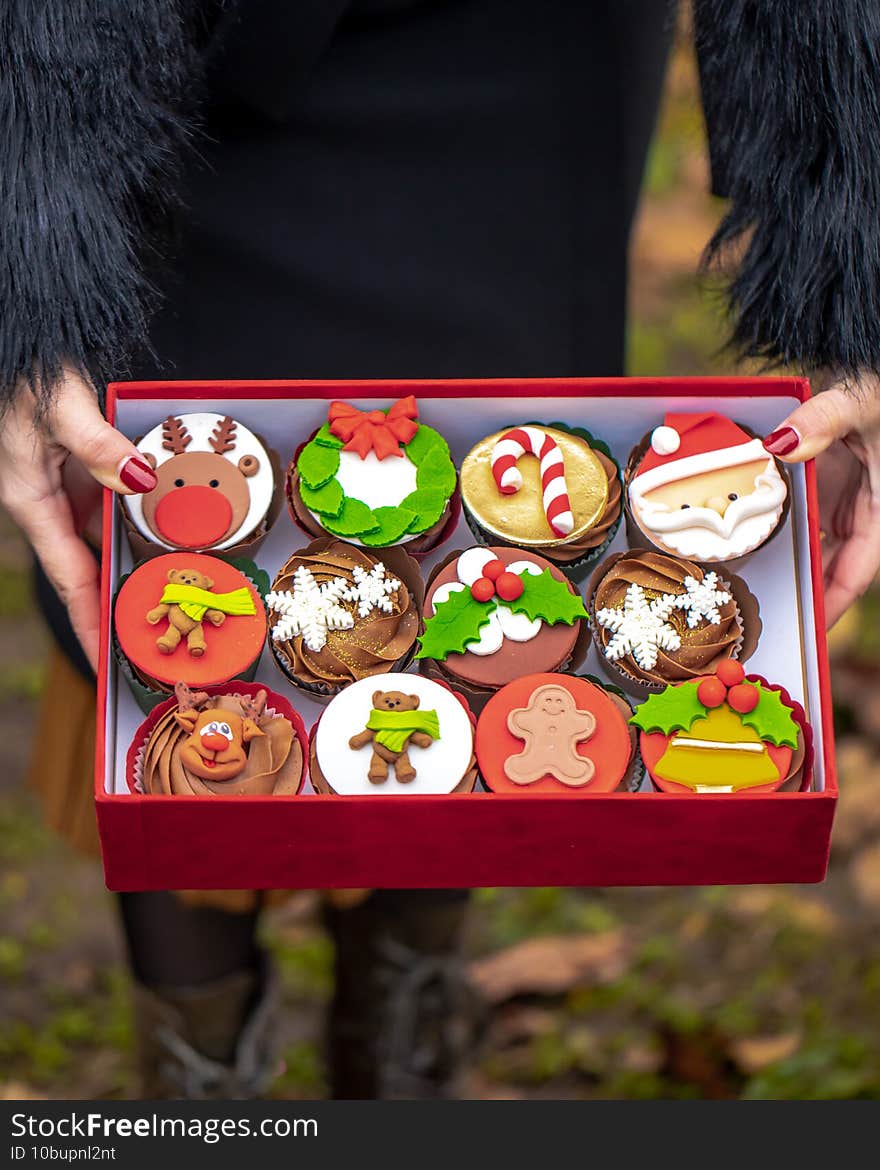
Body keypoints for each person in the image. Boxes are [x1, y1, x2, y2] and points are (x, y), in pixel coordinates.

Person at [1, 0, 878, 1098]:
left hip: (525, 61)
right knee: (171, 556)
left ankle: (399, 1032)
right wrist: (31, 262)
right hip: (136, 52)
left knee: (507, 551)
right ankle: (199, 1060)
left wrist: (854, 260)